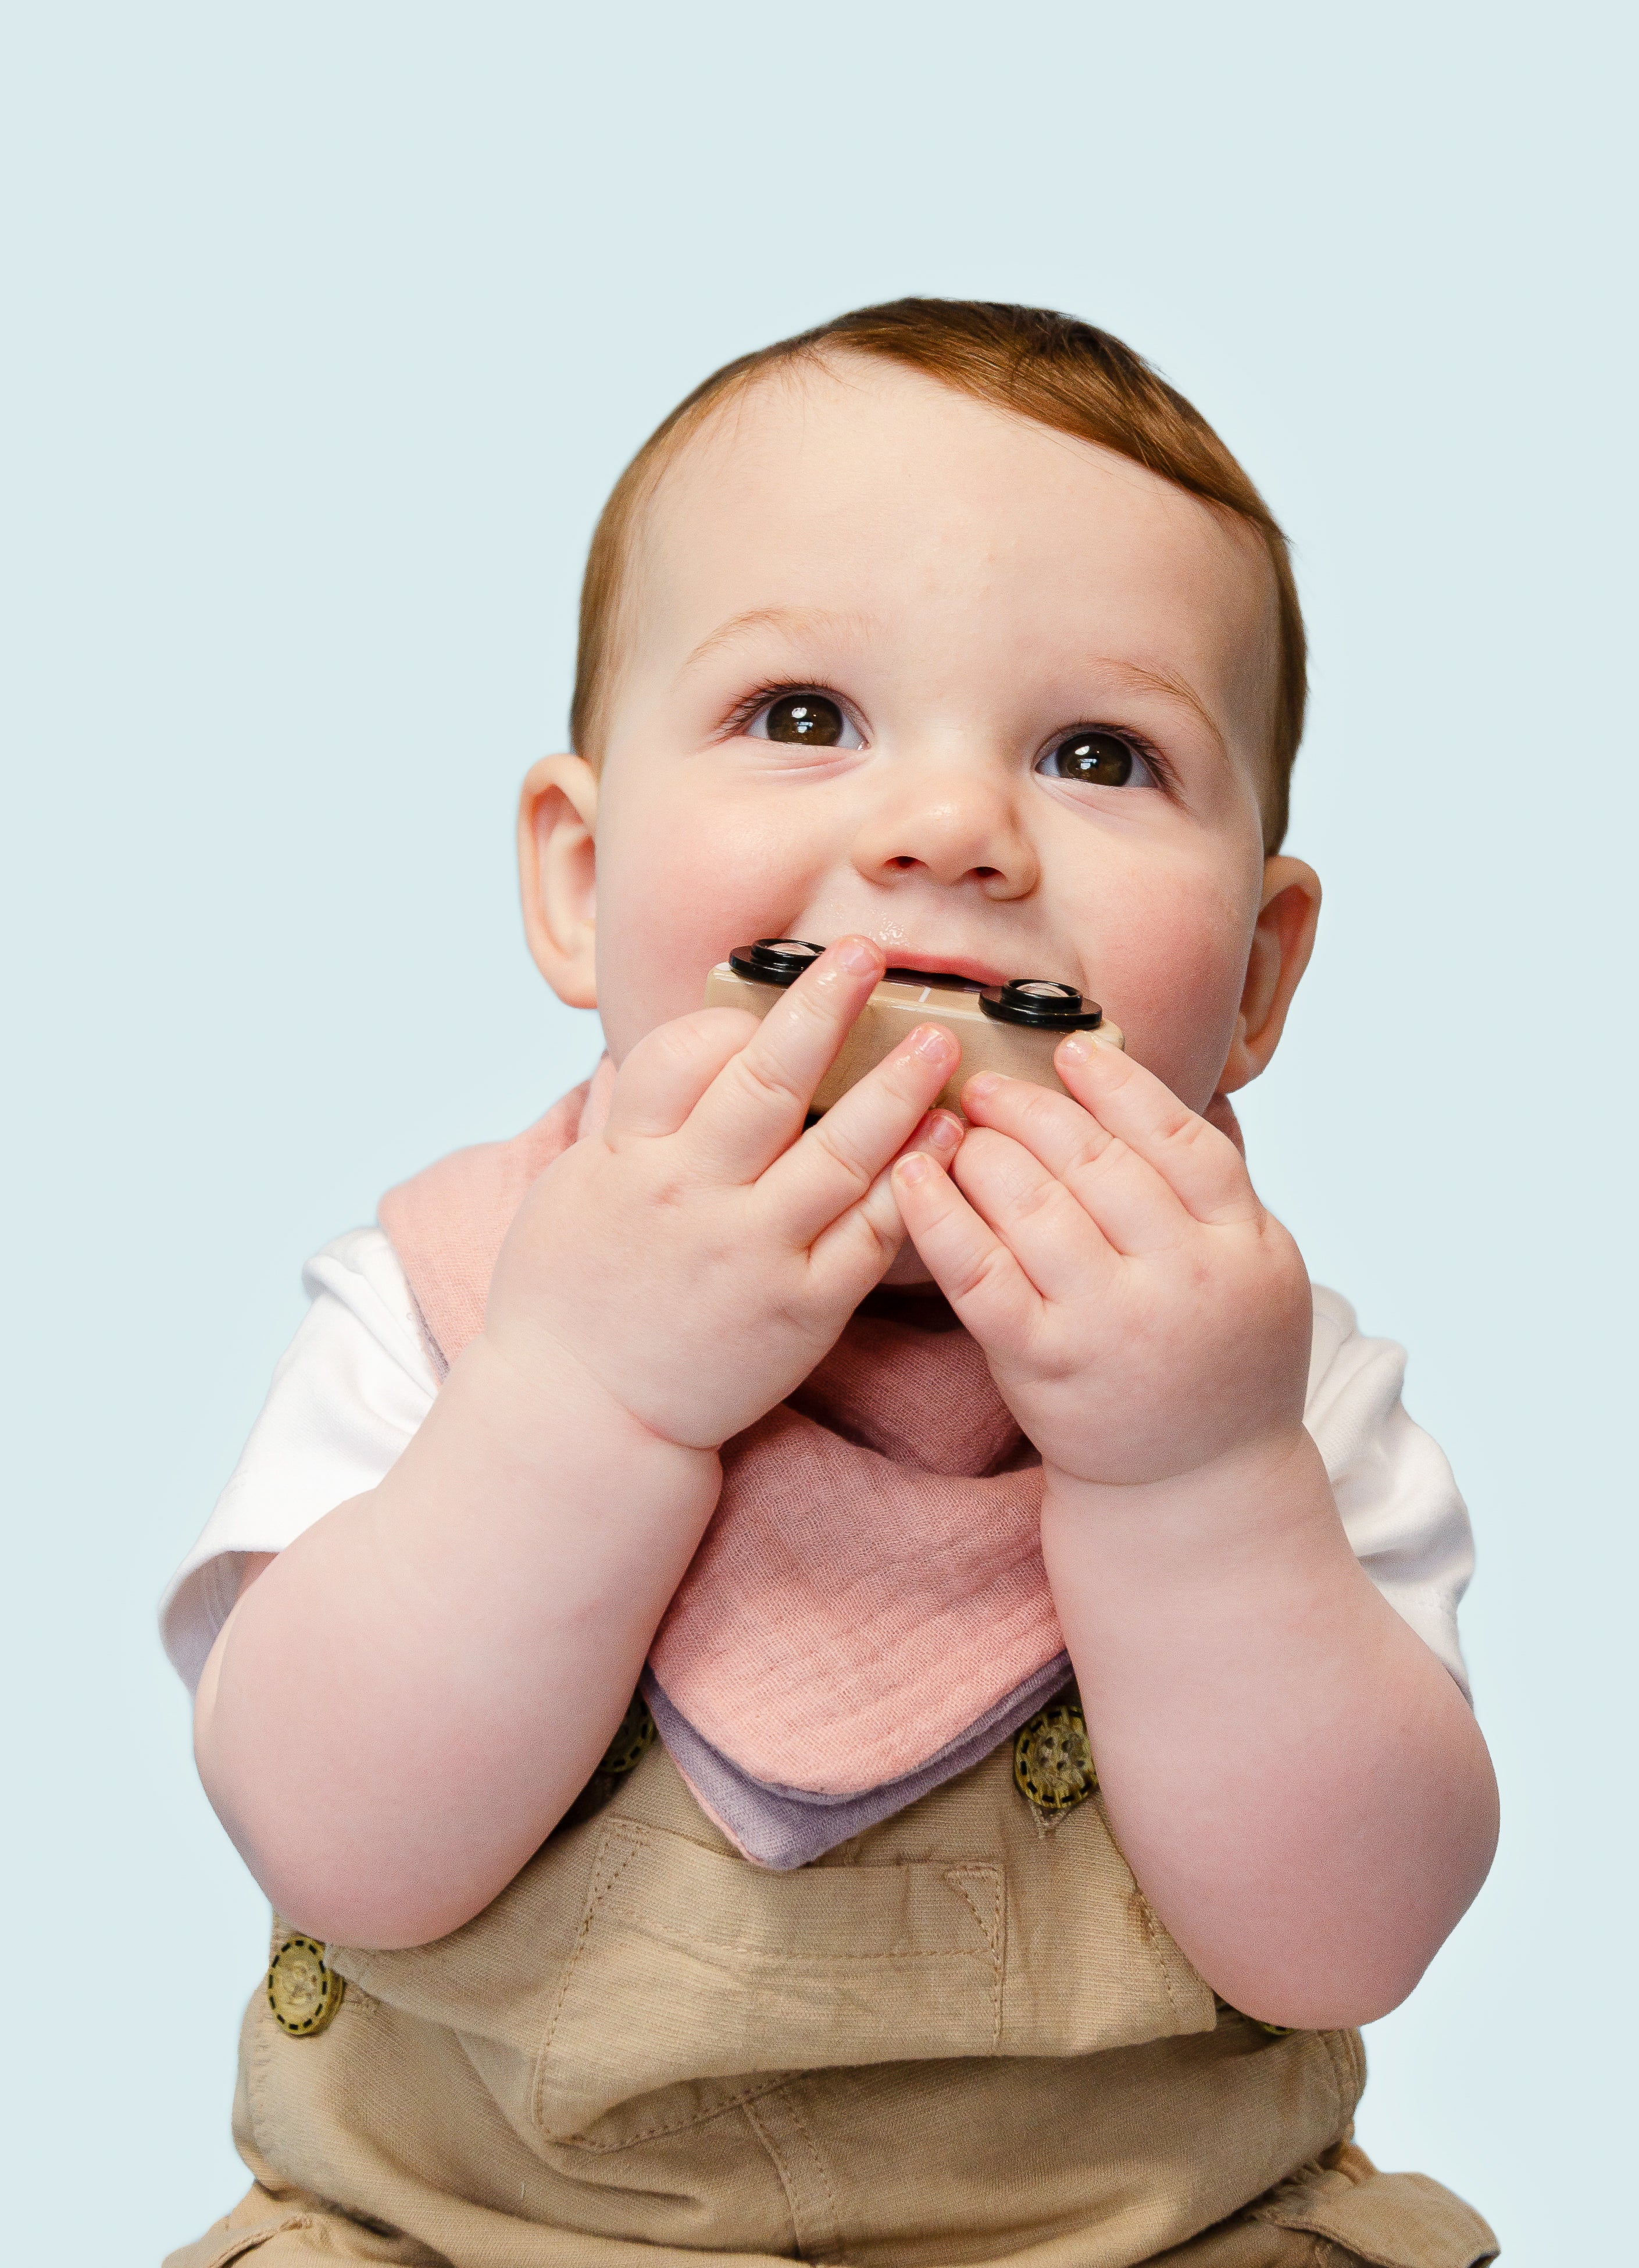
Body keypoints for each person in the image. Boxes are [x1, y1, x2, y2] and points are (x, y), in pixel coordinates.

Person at [160, 299, 1501, 2267]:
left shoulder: (1266, 1386)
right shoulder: (450, 1307)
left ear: (1261, 976)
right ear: (573, 874)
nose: (951, 830)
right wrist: (584, 1400)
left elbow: (1344, 1936)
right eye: (804, 718)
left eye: (1099, 752)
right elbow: (336, 1840)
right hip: (474, 2234)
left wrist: (1194, 1488)